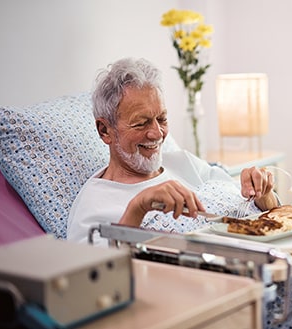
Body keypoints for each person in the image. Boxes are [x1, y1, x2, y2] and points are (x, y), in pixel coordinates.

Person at [66, 57, 279, 245]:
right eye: (141, 123)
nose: (157, 134)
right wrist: (138, 207)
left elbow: (263, 212)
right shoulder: (93, 209)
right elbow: (103, 281)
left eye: (162, 119)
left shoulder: (183, 163)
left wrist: (264, 193)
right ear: (105, 131)